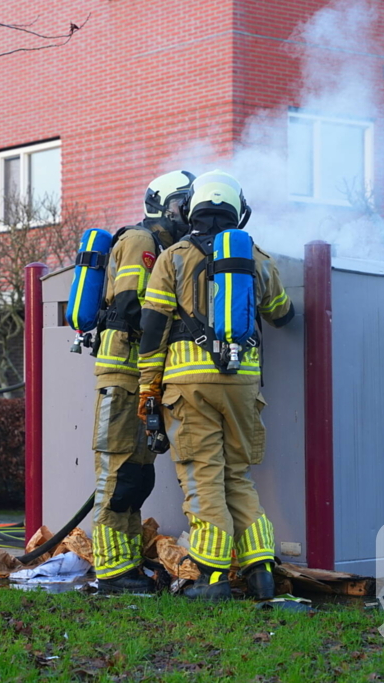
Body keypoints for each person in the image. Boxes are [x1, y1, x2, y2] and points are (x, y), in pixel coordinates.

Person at [137, 171, 295, 600]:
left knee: (202, 477)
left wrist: (148, 389)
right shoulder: (256, 257)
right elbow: (283, 312)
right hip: (243, 384)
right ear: (238, 212)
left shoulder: (173, 257)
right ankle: (261, 570)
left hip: (189, 388)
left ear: (192, 210)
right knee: (238, 477)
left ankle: (209, 577)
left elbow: (152, 329)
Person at [91, 170, 196, 593]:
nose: (187, 212)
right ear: (167, 204)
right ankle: (111, 570)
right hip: (122, 375)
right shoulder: (140, 241)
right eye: (183, 203)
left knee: (137, 476)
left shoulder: (168, 248)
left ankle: (127, 562)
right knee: (116, 473)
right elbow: (133, 305)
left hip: (144, 378)